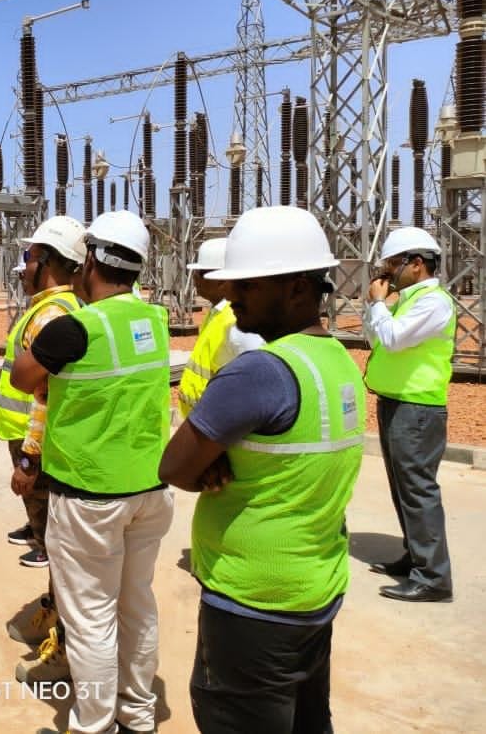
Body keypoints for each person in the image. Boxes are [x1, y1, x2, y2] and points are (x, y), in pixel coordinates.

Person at [159, 206, 366, 732]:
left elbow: (175, 466)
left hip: (252, 601)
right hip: (314, 590)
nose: (231, 294)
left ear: (297, 288)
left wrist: (210, 459)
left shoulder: (260, 372)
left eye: (248, 284)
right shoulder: (339, 362)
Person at [12, 210, 174, 734]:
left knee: (90, 619)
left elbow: (22, 377)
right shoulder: (154, 319)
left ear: (92, 261)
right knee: (137, 607)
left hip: (91, 497)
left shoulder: (75, 329)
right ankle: (138, 715)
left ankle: (94, 725)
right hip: (150, 490)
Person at [364, 226, 455, 603]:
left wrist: (377, 304)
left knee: (418, 490)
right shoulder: (407, 300)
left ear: (417, 263)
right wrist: (379, 307)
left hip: (417, 409)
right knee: (402, 487)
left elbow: (392, 338)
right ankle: (416, 556)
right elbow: (375, 337)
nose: (386, 271)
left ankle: (433, 578)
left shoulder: (433, 302)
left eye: (392, 263)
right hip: (396, 403)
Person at [0, 215, 86, 570]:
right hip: (29, 433)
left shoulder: (50, 315)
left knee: (49, 520)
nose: (25, 267)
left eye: (29, 257)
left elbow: (44, 396)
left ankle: (55, 594)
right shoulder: (59, 306)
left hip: (34, 438)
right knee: (46, 514)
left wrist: (28, 460)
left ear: (45, 262)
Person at [177, 237, 264, 418]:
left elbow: (257, 382)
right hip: (203, 421)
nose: (194, 278)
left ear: (221, 280)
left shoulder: (237, 323)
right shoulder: (216, 313)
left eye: (200, 273)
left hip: (218, 425)